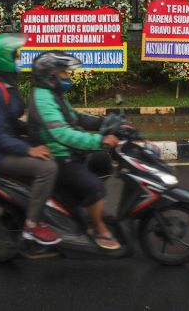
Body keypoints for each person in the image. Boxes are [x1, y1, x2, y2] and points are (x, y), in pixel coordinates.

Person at [28, 51, 121, 250]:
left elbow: (74, 117)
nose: (66, 77)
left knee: (102, 161)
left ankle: (87, 208)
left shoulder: (53, 94)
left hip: (68, 152)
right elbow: (62, 134)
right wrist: (100, 140)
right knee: (94, 187)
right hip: (58, 156)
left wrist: (102, 122)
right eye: (63, 73)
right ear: (50, 76)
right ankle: (98, 228)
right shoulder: (43, 98)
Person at [0, 34, 61, 245]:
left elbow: (9, 123)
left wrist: (37, 132)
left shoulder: (5, 86)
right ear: (2, 59)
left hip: (6, 147)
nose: (18, 59)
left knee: (54, 151)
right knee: (47, 169)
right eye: (15, 56)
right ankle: (32, 225)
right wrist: (28, 150)